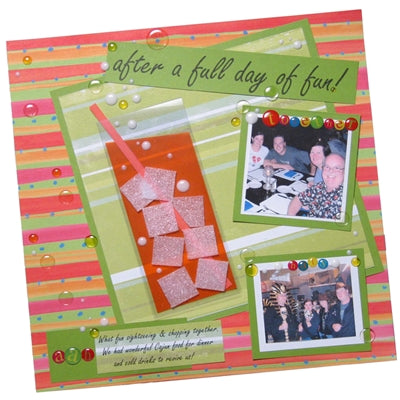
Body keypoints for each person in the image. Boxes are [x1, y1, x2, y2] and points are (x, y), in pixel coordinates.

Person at [287, 153, 345, 219]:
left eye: (337, 168)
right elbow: (299, 198)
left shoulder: (344, 199)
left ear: (345, 172)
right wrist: (290, 217)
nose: (330, 171)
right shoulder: (320, 186)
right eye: (327, 167)